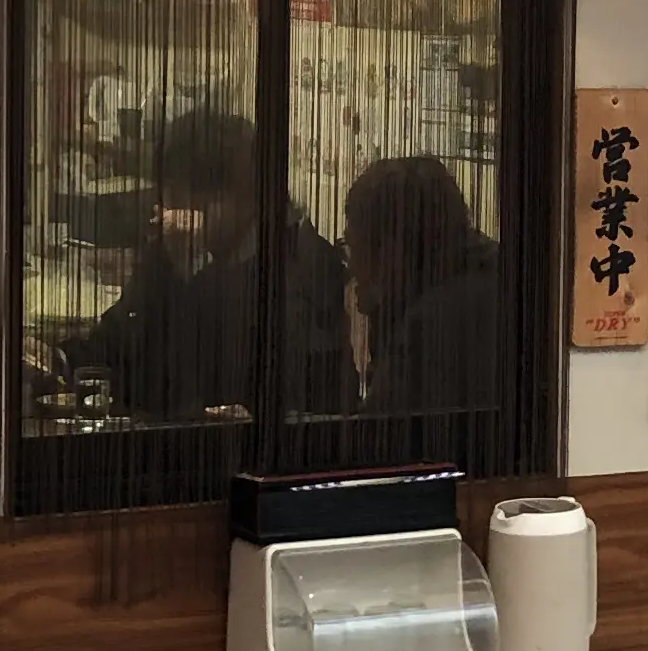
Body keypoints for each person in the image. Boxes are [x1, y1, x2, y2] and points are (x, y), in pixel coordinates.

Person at [58, 110, 351, 425]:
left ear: (231, 196)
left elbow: (209, 389)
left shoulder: (300, 270)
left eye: (173, 198)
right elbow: (117, 346)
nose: (164, 210)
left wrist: (181, 272)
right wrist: (58, 361)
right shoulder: (205, 255)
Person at [343, 154, 501, 424]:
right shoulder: (496, 282)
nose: (350, 267)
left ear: (389, 253)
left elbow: (375, 443)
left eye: (353, 247)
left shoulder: (426, 330)